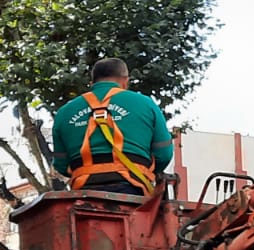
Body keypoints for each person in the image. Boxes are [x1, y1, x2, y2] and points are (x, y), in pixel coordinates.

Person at [51, 58, 175, 197]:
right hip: (133, 189)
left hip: (84, 190)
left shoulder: (64, 112)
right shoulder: (145, 104)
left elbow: (61, 164)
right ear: (125, 81)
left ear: (92, 83)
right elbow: (164, 154)